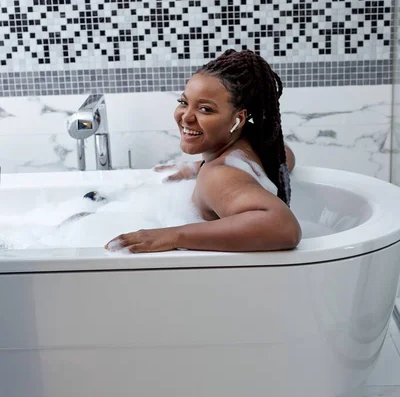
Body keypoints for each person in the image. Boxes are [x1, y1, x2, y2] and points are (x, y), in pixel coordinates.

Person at [105, 49, 301, 253]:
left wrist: (172, 235)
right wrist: (196, 167)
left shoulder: (219, 176)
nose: (186, 117)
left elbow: (285, 228)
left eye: (205, 109)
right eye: (183, 102)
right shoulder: (253, 143)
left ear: (239, 119)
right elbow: (287, 156)